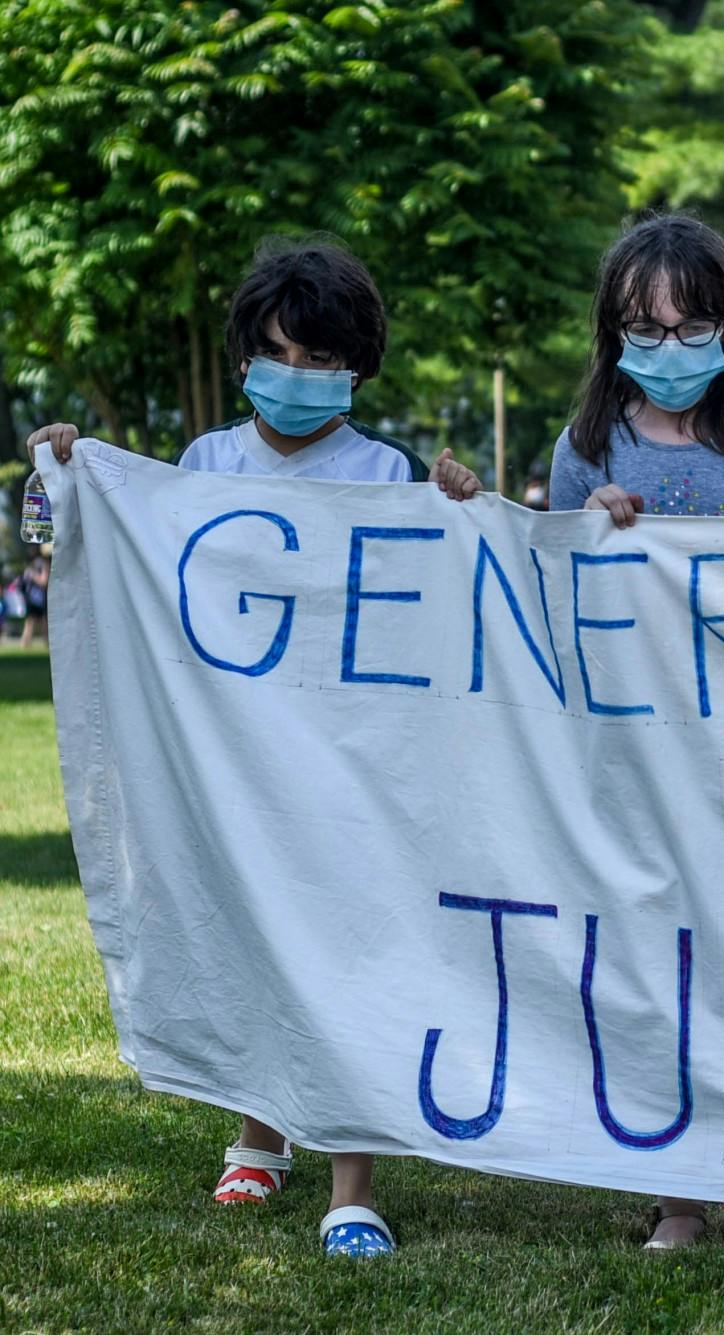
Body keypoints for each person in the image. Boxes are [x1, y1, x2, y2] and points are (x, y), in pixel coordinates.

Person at [28, 235, 482, 1259]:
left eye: (324, 360)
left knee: (354, 946)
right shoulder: (202, 466)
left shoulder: (383, 472)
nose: (300, 376)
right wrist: (74, 467)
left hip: (350, 764)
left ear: (358, 369)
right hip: (232, 764)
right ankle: (258, 1135)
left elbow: (431, 602)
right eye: (282, 353)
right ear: (246, 361)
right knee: (250, 937)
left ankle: (351, 1180)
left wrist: (455, 504)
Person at [546, 212, 724, 1250]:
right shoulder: (585, 449)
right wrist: (585, 529)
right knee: (656, 959)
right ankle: (677, 1192)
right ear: (612, 336)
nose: (668, 352)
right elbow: (554, 599)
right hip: (633, 754)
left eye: (689, 328)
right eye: (643, 331)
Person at [16, 551, 49, 647]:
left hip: (41, 599)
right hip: (32, 600)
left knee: (44, 623)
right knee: (30, 622)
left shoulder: (42, 565)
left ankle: (47, 644)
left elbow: (43, 581)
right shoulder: (32, 567)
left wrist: (33, 575)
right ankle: (25, 644)